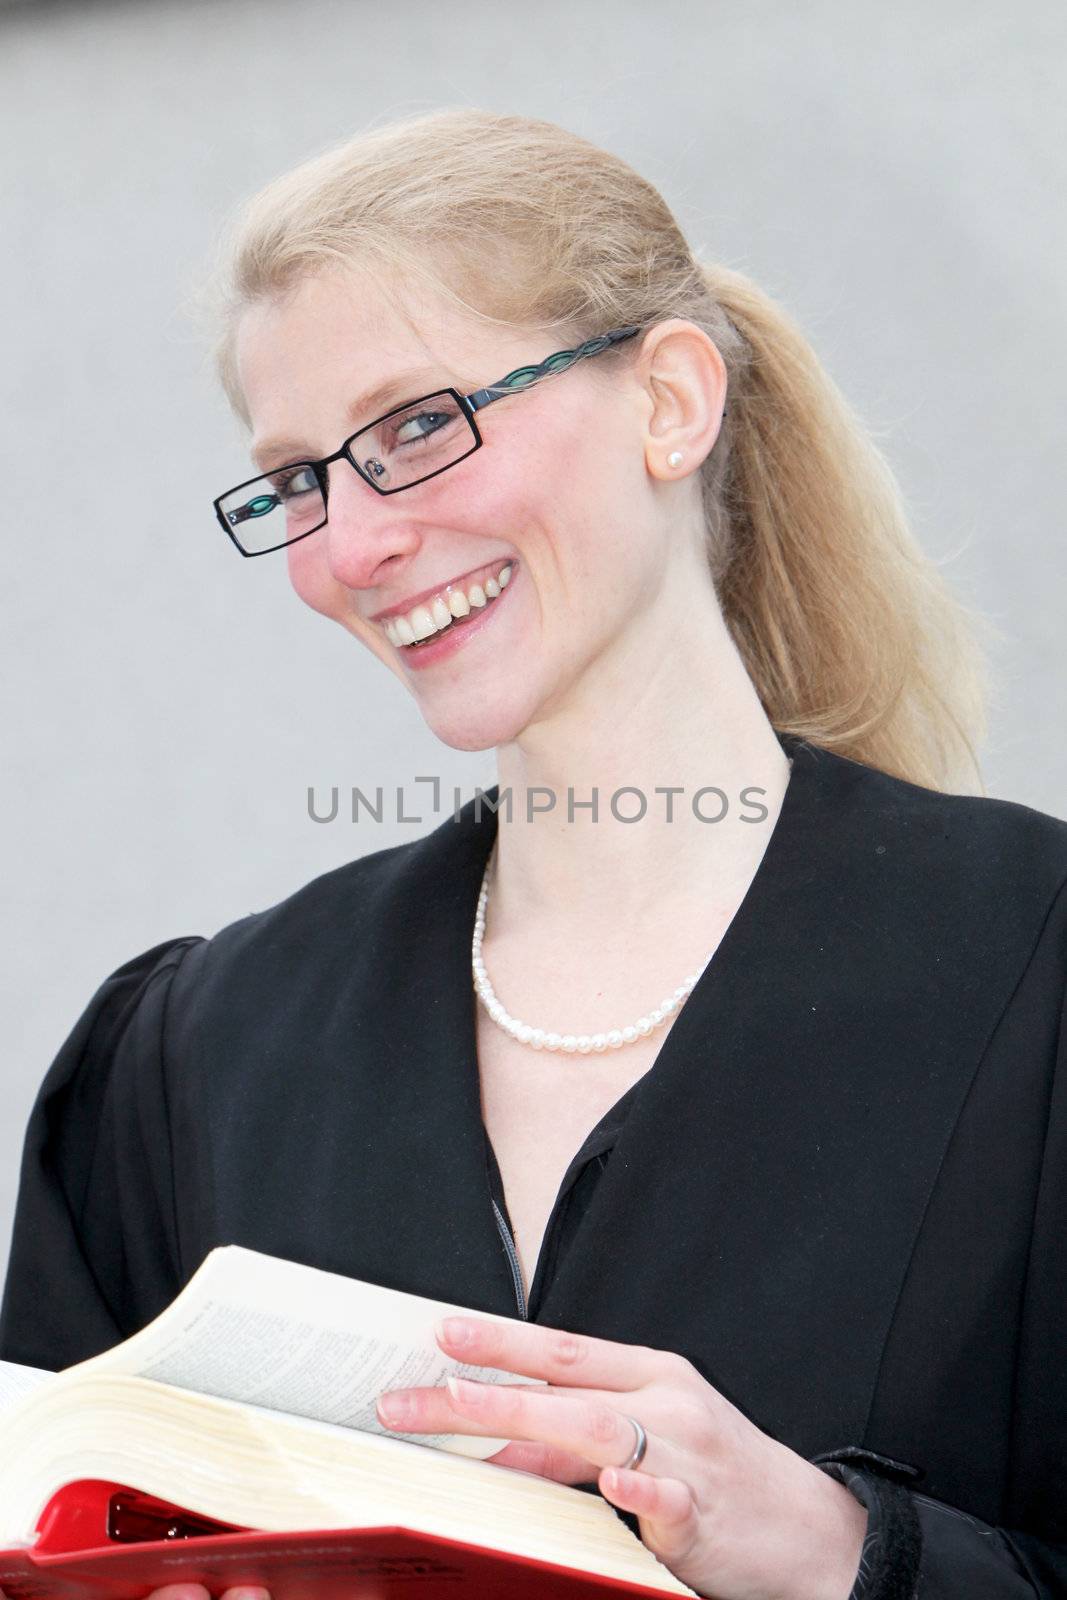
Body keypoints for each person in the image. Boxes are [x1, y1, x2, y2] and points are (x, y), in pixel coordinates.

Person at [1, 108, 1064, 1600]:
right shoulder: (196, 1057)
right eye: (299, 478)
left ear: (671, 402)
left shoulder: (1037, 975)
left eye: (418, 427)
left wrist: (836, 1552)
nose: (347, 549)